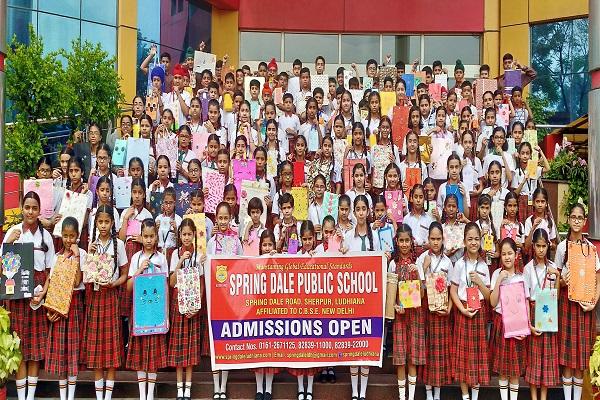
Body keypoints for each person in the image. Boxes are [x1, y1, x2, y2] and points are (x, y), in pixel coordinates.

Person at [3, 192, 55, 400]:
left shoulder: (46, 236)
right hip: (17, 293)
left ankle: (30, 397)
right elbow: (3, 270)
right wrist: (9, 243)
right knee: (20, 347)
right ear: (21, 208)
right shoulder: (13, 232)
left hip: (38, 292)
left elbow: (51, 270)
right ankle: (21, 396)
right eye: (27, 207)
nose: (30, 212)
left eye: (34, 208)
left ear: (39, 210)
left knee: (35, 349)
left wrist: (44, 292)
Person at [554, 203, 600, 400]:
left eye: (579, 218)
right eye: (573, 217)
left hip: (584, 307)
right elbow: (555, 279)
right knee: (567, 358)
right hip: (566, 304)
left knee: (580, 359)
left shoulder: (591, 250)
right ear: (568, 219)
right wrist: (562, 282)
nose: (576, 221)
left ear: (584, 222)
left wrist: (594, 303)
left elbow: (598, 280)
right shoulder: (561, 248)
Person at [86, 204, 129, 400]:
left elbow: (125, 274)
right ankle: (98, 395)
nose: (103, 225)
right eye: (100, 222)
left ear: (113, 223)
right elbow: (87, 274)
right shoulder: (92, 243)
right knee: (96, 350)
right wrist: (89, 252)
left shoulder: (118, 245)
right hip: (96, 297)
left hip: (111, 297)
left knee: (110, 350)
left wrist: (114, 283)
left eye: (107, 222)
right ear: (95, 223)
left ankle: (108, 396)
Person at [126, 219, 168, 400]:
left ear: (156, 237)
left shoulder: (161, 258)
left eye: (152, 236)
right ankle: (142, 394)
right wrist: (138, 271)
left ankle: (150, 394)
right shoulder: (136, 258)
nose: (149, 240)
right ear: (141, 237)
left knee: (153, 355)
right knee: (141, 353)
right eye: (146, 236)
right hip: (140, 311)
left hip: (156, 311)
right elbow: (128, 287)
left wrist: (166, 314)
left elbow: (166, 286)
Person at [450, 222, 491, 400]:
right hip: (463, 310)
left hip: (479, 311)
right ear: (464, 241)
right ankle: (465, 395)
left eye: (476, 239)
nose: (473, 242)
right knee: (463, 356)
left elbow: (489, 296)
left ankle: (475, 395)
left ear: (480, 241)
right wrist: (462, 310)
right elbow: (453, 290)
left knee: (477, 355)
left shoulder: (484, 266)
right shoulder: (459, 264)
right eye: (470, 239)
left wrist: (480, 282)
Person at [489, 238, 528, 400]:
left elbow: (526, 303)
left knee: (515, 371)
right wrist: (499, 280)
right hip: (501, 323)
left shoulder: (521, 276)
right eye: (503, 254)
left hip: (517, 325)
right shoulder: (497, 274)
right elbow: (492, 302)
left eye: (510, 253)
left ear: (516, 254)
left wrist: (525, 328)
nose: (507, 257)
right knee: (503, 370)